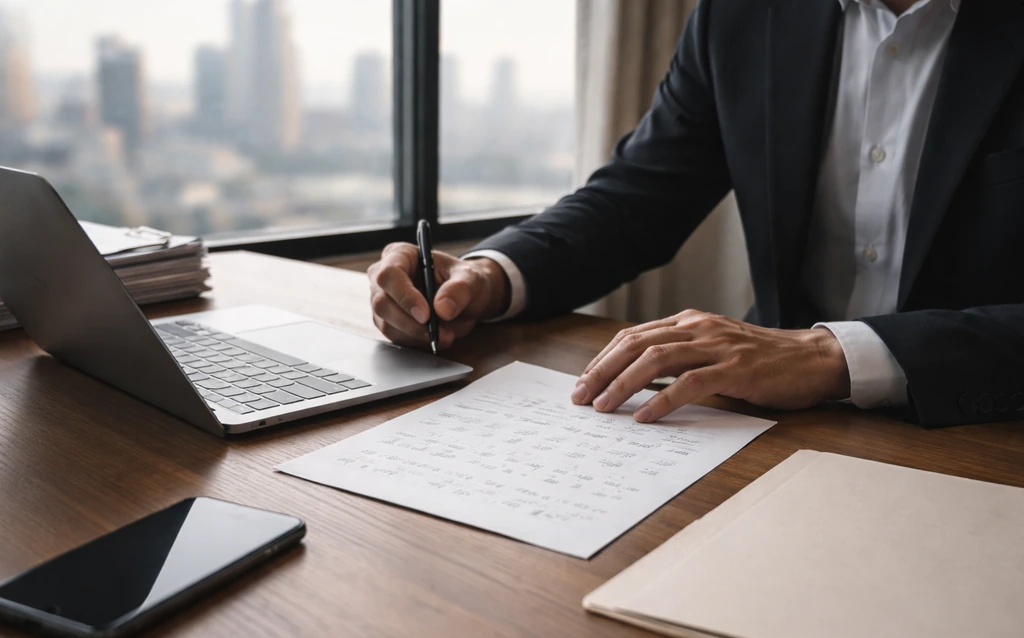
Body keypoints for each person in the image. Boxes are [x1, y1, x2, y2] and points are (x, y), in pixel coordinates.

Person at [369, 0, 1024, 428]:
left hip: (989, 430)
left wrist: (832, 354)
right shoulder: (741, 17)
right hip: (771, 426)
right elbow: (636, 199)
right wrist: (488, 277)